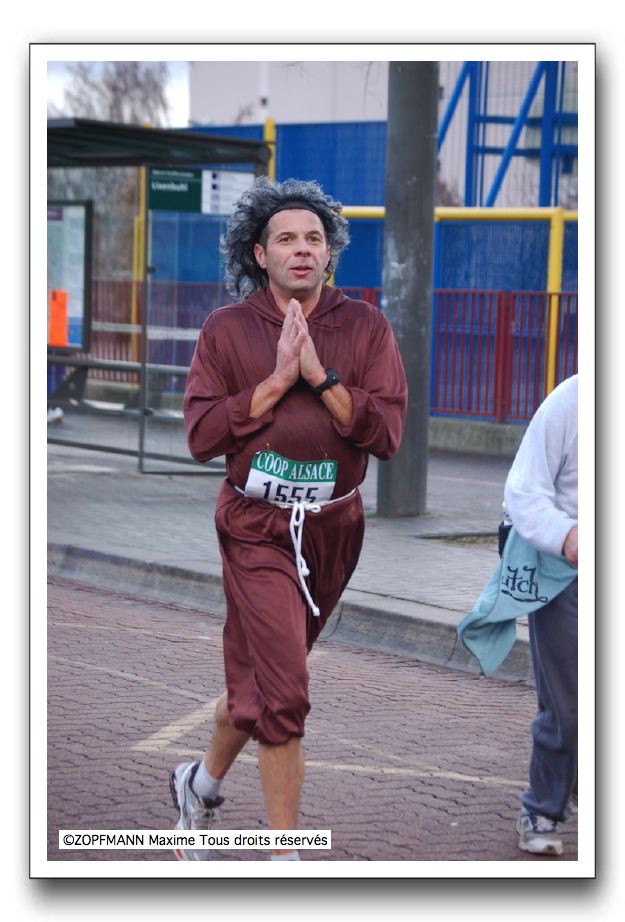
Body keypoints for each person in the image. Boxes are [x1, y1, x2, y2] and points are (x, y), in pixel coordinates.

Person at [169, 177, 408, 861]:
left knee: (258, 691)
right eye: (285, 239)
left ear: (329, 252)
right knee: (285, 693)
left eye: (313, 238)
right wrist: (276, 380)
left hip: (334, 529)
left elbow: (387, 434)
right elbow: (200, 435)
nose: (301, 249)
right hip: (255, 526)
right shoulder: (227, 329)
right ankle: (285, 860)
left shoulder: (365, 327)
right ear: (259, 254)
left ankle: (198, 786)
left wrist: (320, 377)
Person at [503, 373, 578, 856]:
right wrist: (568, 535)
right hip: (564, 570)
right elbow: (523, 493)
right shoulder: (570, 402)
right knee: (569, 703)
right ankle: (542, 807)